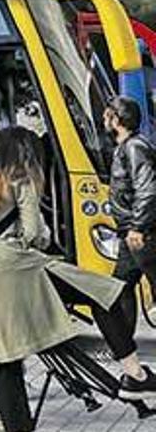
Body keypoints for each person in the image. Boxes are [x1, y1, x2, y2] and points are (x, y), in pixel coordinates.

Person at [0, 127, 124, 431]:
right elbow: (34, 234)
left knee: (1, 362)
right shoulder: (18, 176)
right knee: (104, 291)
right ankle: (133, 374)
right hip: (10, 270)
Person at [101, 96, 156, 399]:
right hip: (130, 236)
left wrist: (138, 226)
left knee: (119, 291)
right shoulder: (125, 148)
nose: (103, 119)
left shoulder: (135, 147)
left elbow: (148, 188)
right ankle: (129, 363)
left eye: (107, 115)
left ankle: (132, 366)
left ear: (117, 119)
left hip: (141, 235)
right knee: (116, 292)